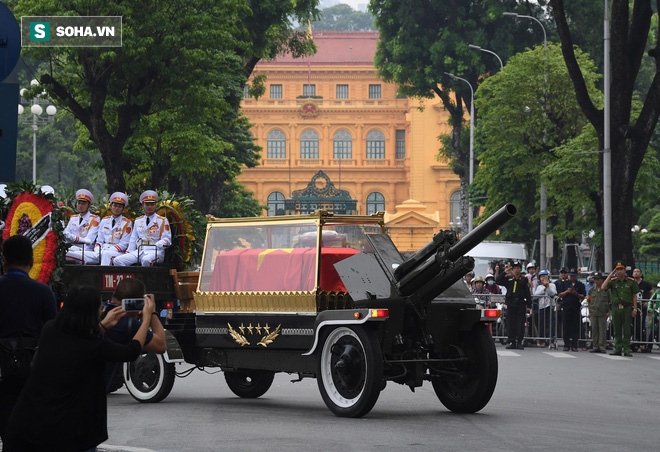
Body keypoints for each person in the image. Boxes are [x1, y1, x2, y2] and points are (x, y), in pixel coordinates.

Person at [3, 286, 155, 451]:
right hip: (68, 435)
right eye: (100, 308)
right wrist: (147, 317)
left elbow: (78, 339)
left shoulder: (50, 330)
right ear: (93, 313)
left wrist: (103, 326)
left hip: (26, 426)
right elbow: (131, 351)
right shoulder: (95, 346)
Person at [0, 235, 57, 442]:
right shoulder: (42, 292)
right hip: (31, 368)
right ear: (32, 261)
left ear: (3, 260)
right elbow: (53, 332)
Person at [103, 277, 166, 390]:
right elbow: (161, 345)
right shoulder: (128, 324)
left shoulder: (103, 316)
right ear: (139, 302)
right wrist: (152, 313)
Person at [113, 190, 171, 267]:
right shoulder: (138, 221)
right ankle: (130, 278)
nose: (149, 207)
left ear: (155, 205)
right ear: (142, 206)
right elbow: (133, 240)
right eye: (147, 204)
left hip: (155, 251)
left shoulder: (162, 220)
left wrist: (160, 243)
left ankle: (146, 279)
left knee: (146, 260)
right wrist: (128, 252)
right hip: (140, 251)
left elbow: (167, 239)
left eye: (152, 204)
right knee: (117, 260)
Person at [602, 261, 638, 357]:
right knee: (617, 329)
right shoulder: (613, 281)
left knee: (626, 329)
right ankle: (617, 348)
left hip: (627, 307)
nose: (619, 271)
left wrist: (635, 309)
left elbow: (634, 296)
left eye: (621, 269)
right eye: (617, 269)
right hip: (616, 308)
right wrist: (610, 275)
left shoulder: (631, 281)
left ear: (625, 270)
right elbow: (603, 287)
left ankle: (626, 349)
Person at [497, 261, 530, 350]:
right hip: (511, 304)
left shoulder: (523, 279)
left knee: (520, 324)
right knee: (510, 323)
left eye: (518, 268)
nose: (516, 270)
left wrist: (529, 305)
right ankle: (512, 341)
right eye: (514, 268)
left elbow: (527, 292)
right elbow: (498, 281)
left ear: (520, 269)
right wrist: (505, 271)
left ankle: (519, 341)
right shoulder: (508, 279)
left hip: (520, 304)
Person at [64, 189, 101, 265]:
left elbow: (88, 241)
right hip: (71, 249)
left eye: (83, 203)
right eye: (79, 203)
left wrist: (72, 238)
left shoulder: (94, 219)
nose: (80, 205)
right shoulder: (73, 218)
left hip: (86, 251)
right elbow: (66, 235)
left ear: (89, 205)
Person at [95, 192, 133, 265]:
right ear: (110, 206)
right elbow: (99, 241)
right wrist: (97, 250)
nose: (117, 208)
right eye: (115, 205)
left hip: (118, 252)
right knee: (81, 255)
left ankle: (102, 275)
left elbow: (124, 244)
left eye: (119, 206)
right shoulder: (104, 220)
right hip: (102, 250)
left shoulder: (127, 223)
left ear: (123, 209)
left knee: (106, 254)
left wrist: (108, 250)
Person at [556, 268, 586, 352]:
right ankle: (566, 344)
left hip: (575, 307)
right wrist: (567, 291)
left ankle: (574, 345)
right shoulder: (564, 283)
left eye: (574, 276)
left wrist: (576, 293)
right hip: (566, 307)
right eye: (571, 275)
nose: (572, 277)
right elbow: (560, 294)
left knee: (575, 327)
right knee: (566, 326)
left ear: (576, 276)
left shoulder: (580, 284)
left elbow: (583, 296)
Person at [587, 272, 610, 353]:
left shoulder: (606, 290)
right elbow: (589, 301)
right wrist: (589, 312)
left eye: (598, 279)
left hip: (602, 313)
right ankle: (595, 346)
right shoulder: (591, 290)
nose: (596, 281)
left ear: (601, 280)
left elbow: (609, 302)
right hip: (593, 312)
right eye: (595, 279)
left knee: (602, 330)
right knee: (594, 330)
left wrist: (608, 312)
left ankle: (602, 346)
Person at [533, 270, 556, 348]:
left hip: (551, 306)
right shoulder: (539, 287)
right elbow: (535, 295)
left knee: (551, 324)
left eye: (544, 276)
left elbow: (552, 293)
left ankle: (552, 341)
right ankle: (542, 340)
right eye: (541, 277)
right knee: (541, 324)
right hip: (542, 307)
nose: (543, 278)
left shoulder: (552, 285)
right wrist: (544, 289)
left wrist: (547, 286)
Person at [632, 268, 653, 352]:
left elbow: (652, 292)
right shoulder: (631, 283)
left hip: (642, 307)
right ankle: (635, 342)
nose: (636, 273)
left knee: (643, 325)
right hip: (633, 307)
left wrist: (648, 301)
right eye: (634, 272)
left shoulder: (645, 284)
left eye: (637, 272)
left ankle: (643, 343)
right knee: (634, 325)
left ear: (640, 274)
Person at [647, 282, 660, 350]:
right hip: (656, 313)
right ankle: (649, 346)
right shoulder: (657, 293)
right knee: (652, 329)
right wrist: (650, 308)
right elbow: (651, 301)